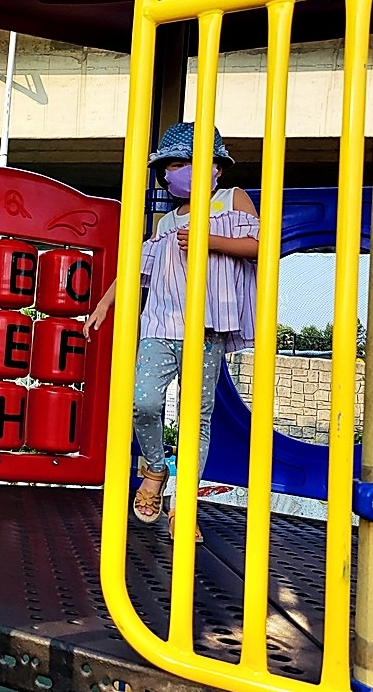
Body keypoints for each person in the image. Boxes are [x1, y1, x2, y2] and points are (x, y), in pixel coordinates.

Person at [83, 123, 258, 543]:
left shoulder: (230, 200)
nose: (170, 174)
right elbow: (137, 268)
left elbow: (258, 246)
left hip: (207, 326)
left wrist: (208, 239)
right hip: (161, 324)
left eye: (181, 164)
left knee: (196, 416)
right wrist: (103, 306)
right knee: (143, 401)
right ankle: (155, 468)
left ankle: (184, 504)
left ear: (213, 166)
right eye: (167, 167)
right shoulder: (165, 220)